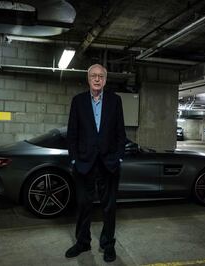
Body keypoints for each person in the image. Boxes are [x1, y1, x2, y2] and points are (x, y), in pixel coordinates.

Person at [65, 64, 126, 262]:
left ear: (105, 80)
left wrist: (118, 157)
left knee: (109, 207)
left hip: (108, 164)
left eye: (101, 76)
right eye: (93, 76)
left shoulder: (115, 101)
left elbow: (120, 133)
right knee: (83, 204)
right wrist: (74, 158)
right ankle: (82, 242)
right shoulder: (78, 101)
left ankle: (108, 244)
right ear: (88, 79)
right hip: (84, 163)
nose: (97, 79)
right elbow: (72, 133)